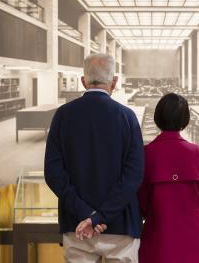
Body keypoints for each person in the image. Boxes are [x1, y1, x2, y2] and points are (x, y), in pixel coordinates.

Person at [45, 53, 144, 262]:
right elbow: (133, 175)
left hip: (77, 225)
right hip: (120, 225)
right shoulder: (127, 117)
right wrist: (100, 217)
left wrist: (86, 214)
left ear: (83, 81)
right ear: (114, 81)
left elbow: (53, 174)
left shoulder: (62, 115)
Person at [138, 93, 199, 263]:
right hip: (194, 237)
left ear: (158, 117)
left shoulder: (146, 154)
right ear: (185, 119)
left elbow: (142, 202)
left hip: (158, 236)